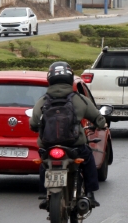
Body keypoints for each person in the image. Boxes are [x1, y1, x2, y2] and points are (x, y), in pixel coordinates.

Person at [30, 62, 107, 209]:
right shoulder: (79, 99)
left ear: (50, 79)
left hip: (48, 145)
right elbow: (98, 119)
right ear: (70, 78)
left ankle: (45, 193)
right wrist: (101, 124)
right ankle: (90, 193)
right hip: (75, 146)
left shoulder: (43, 101)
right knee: (88, 159)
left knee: (44, 162)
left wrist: (36, 128)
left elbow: (33, 123)